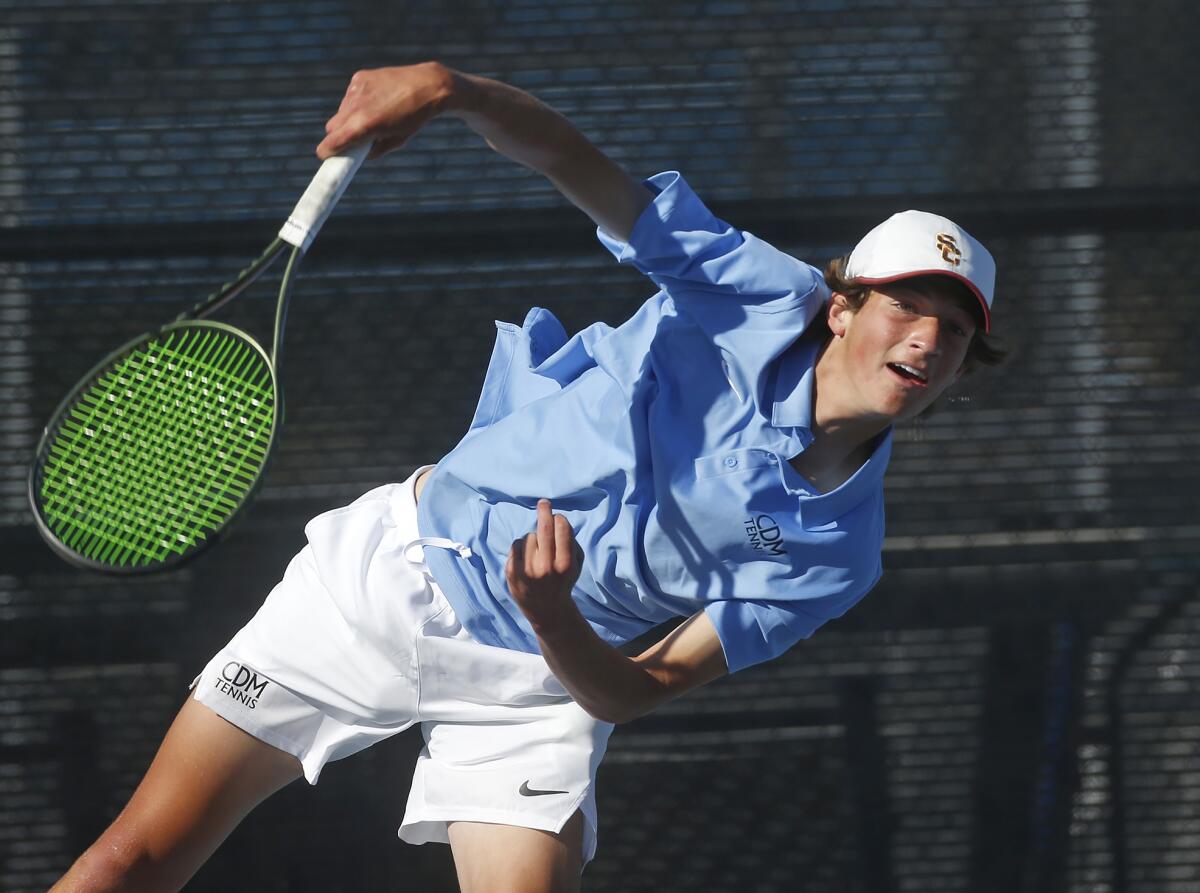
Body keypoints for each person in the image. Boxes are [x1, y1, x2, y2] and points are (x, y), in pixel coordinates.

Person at [51, 62, 1004, 893]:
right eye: (904, 306)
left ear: (962, 365)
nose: (925, 336)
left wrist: (554, 618)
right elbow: (579, 168)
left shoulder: (838, 551)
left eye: (954, 330)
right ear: (842, 309)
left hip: (535, 687)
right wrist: (453, 89)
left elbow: (635, 690)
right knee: (132, 863)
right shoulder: (752, 291)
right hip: (385, 580)